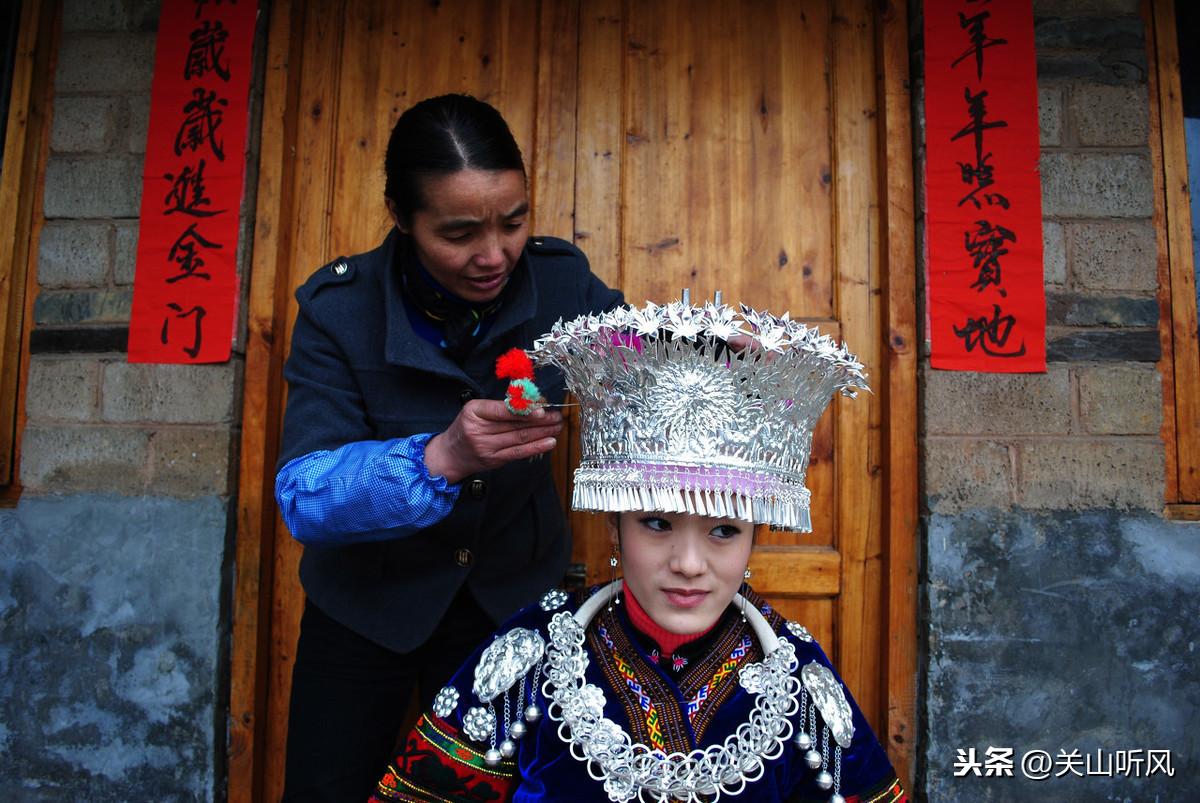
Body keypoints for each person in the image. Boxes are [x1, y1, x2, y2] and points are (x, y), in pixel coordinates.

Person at [369, 297, 907, 802]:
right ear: (614, 524)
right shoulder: (529, 656)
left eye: (724, 531)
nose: (689, 564)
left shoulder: (796, 675)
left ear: (755, 536)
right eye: (656, 522)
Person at [274, 93, 623, 801]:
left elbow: (636, 361)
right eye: (460, 232)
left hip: (514, 604)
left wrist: (711, 353)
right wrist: (440, 458)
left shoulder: (561, 281)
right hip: (364, 609)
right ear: (402, 217)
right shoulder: (339, 311)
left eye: (514, 222)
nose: (494, 254)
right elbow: (303, 495)